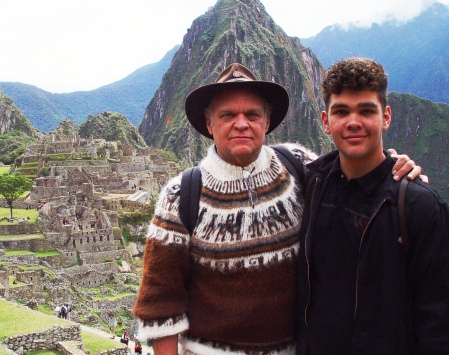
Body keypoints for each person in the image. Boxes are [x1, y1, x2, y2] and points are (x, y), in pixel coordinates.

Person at [132, 63, 421, 355]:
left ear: (267, 121)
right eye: (228, 115)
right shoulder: (181, 195)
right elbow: (161, 302)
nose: (241, 123)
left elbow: (355, 180)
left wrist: (392, 168)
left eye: (253, 114)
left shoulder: (299, 165)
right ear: (209, 124)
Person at [297, 58, 449, 354]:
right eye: (342, 111)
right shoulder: (311, 187)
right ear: (326, 122)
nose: (354, 121)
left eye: (366, 110)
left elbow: (438, 320)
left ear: (386, 117)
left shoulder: (419, 207)